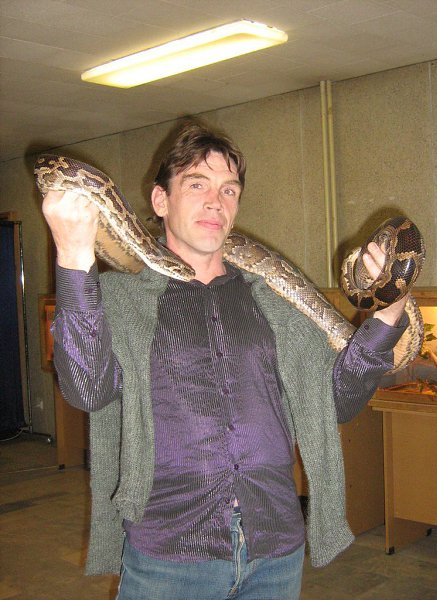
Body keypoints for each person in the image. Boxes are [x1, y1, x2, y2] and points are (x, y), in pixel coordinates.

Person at [42, 121, 409, 600]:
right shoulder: (119, 298)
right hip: (170, 556)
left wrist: (391, 307)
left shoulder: (277, 304)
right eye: (197, 185)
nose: (216, 201)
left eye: (229, 189)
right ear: (160, 201)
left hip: (274, 549)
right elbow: (87, 389)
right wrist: (73, 254)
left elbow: (334, 403)